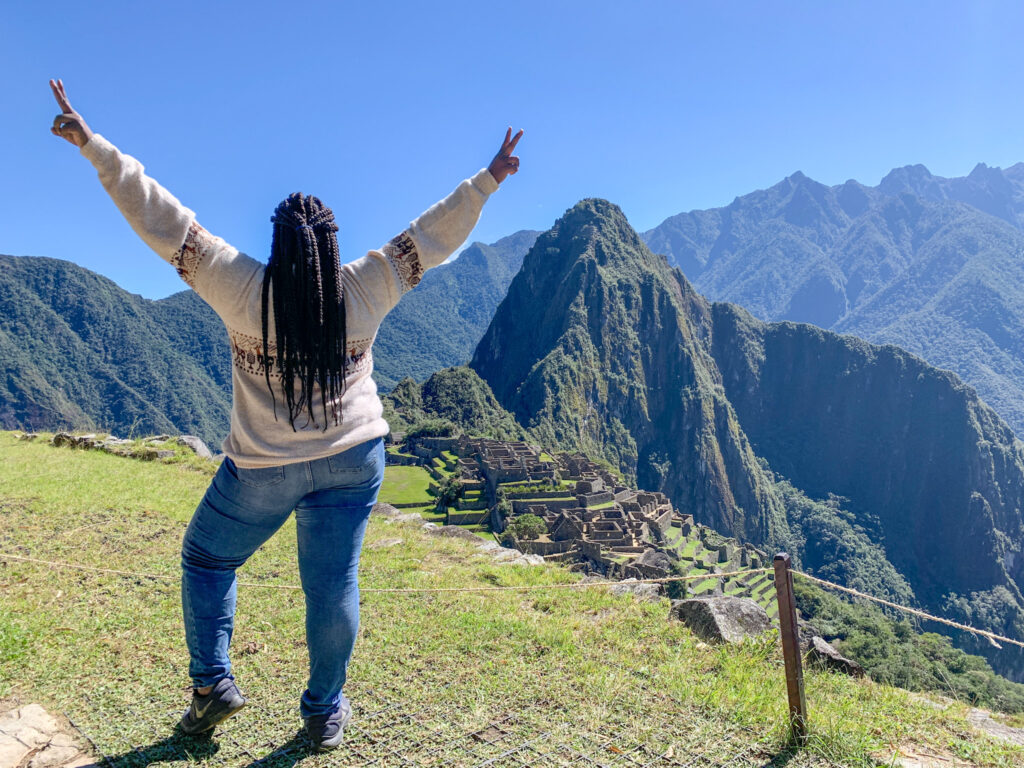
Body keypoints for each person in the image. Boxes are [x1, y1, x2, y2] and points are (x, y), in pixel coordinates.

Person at [49, 78, 522, 751]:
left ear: (277, 244)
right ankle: (323, 711)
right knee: (332, 588)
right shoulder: (365, 286)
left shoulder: (238, 284)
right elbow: (431, 236)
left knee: (207, 559)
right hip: (354, 458)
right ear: (331, 247)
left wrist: (94, 147)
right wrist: (488, 180)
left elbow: (160, 217)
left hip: (263, 467)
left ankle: (212, 685)